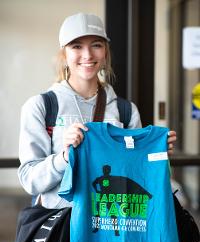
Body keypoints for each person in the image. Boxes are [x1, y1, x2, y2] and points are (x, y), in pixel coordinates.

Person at [18, 12, 176, 209]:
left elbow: (135, 175)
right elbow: (30, 181)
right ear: (64, 54)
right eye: (77, 46)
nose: (88, 55)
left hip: (111, 228)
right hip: (61, 229)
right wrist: (64, 157)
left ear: (105, 52)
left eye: (96, 45)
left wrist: (155, 154)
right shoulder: (41, 107)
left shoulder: (125, 111)